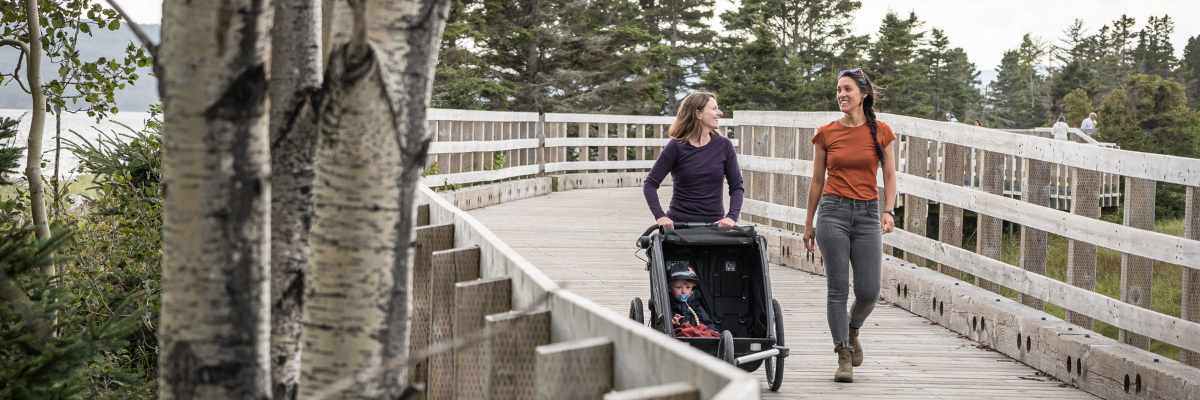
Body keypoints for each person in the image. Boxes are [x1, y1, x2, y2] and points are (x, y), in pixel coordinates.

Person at [802, 68, 897, 383]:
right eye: (838, 90)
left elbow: (890, 175)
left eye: (847, 89)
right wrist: (808, 224)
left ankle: (853, 329)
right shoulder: (826, 133)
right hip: (833, 212)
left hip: (869, 214)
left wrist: (889, 210)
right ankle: (843, 354)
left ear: (863, 94)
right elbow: (817, 181)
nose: (841, 95)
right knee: (837, 289)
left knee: (869, 291)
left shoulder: (880, 131)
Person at [643, 92, 744, 229]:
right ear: (699, 114)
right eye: (714, 108)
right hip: (679, 226)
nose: (719, 113)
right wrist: (660, 216)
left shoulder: (724, 145)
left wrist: (731, 217)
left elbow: (737, 186)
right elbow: (650, 184)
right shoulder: (676, 146)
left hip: (714, 227)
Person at [666, 263, 718, 335]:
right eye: (678, 288)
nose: (684, 292)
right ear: (669, 288)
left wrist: (714, 332)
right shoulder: (667, 305)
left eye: (688, 287)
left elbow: (708, 323)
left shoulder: (695, 305)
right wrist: (671, 322)